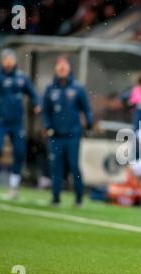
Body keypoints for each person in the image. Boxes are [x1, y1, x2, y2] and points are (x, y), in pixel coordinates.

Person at [0, 49, 40, 199]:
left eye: (11, 59)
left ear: (15, 61)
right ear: (2, 61)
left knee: (20, 152)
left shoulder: (21, 77)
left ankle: (14, 185)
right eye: (6, 59)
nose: (8, 62)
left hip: (16, 122)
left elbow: (33, 92)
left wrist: (37, 103)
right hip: (0, 121)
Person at [41, 55, 94, 207]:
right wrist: (48, 126)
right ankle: (56, 196)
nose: (62, 68)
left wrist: (89, 124)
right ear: (55, 69)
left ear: (69, 68)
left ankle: (78, 197)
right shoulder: (50, 89)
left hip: (73, 134)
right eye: (59, 65)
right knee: (55, 166)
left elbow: (86, 109)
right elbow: (46, 111)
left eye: (64, 65)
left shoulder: (77, 88)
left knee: (73, 165)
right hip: (56, 135)